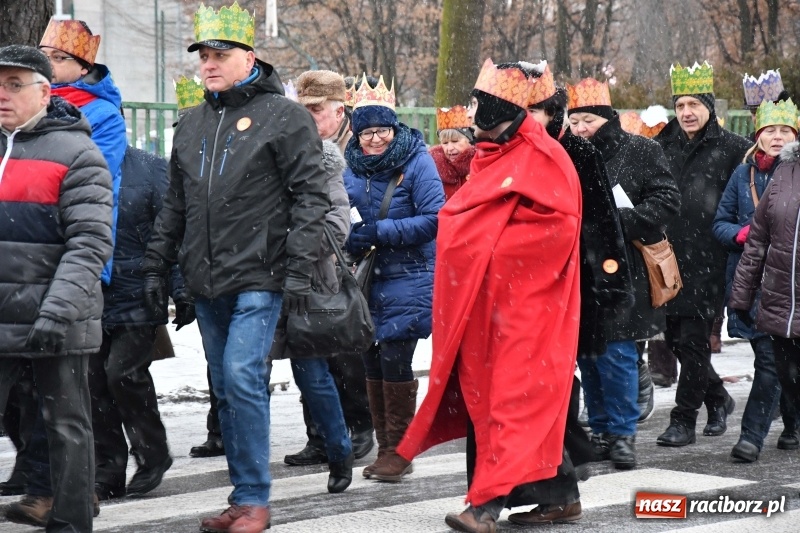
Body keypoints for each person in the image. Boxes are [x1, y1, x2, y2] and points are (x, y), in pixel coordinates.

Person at [143, 4, 330, 532]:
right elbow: (175, 205)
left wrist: (298, 266)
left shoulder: (285, 116)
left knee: (242, 376)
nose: (209, 64)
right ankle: (253, 489)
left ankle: (254, 500)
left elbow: (311, 196)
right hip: (207, 278)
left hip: (262, 273)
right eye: (203, 54)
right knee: (225, 387)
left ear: (249, 57)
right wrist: (158, 268)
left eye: (220, 54)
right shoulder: (193, 122)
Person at [397, 58, 582, 533]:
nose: (475, 122)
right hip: (486, 306)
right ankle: (558, 495)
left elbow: (554, 232)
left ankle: (485, 507)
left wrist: (484, 247)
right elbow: (469, 219)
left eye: (484, 111)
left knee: (513, 403)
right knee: (500, 402)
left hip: (530, 306)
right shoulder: (491, 154)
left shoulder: (546, 157)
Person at [494, 61, 633, 526]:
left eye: (533, 111)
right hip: (526, 293)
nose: (525, 120)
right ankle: (568, 464)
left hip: (573, 289)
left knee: (549, 386)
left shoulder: (578, 153)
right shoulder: (514, 152)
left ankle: (566, 471)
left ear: (552, 112)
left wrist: (608, 285)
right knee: (536, 386)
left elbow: (603, 225)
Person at [0, 18, 128, 504]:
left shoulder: (93, 125)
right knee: (24, 404)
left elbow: (91, 224)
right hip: (10, 294)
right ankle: (39, 484)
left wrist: (62, 303)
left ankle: (80, 491)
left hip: (66, 285)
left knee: (76, 401)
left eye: (14, 84)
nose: (3, 94)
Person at [567, 77, 681, 469]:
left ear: (606, 117)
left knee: (617, 354)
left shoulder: (642, 150)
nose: (580, 129)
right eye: (574, 121)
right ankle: (599, 430)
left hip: (625, 268)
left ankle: (622, 434)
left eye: (587, 121)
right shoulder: (567, 155)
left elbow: (667, 200)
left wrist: (617, 220)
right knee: (589, 355)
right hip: (582, 270)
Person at [343, 74, 444, 482]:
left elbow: (436, 218)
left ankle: (401, 450)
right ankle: (387, 448)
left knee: (395, 358)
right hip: (365, 277)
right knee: (370, 358)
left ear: (394, 127)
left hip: (410, 275)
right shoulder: (349, 164)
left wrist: (378, 232)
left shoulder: (416, 160)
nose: (375, 140)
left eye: (382, 130)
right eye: (367, 132)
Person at [654, 61, 752, 446]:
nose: (686, 113)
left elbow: (744, 202)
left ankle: (683, 420)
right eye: (680, 106)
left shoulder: (734, 149)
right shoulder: (661, 146)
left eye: (693, 104)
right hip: (665, 259)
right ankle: (718, 398)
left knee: (693, 341)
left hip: (710, 259)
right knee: (676, 340)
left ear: (709, 106)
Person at [280, 69, 374, 467]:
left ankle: (360, 427)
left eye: (317, 110)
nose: (310, 117)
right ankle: (318, 435)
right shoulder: (294, 149)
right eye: (304, 109)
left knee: (342, 350)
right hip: (307, 267)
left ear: (339, 112)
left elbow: (342, 216)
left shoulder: (345, 149)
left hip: (340, 264)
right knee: (307, 349)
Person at [89, 145, 190, 501]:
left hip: (139, 289)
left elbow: (171, 232)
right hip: (89, 293)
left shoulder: (148, 168)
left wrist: (179, 287)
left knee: (123, 374)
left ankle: (152, 453)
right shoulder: (75, 164)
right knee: (93, 383)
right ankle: (108, 469)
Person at [713, 98, 799, 462]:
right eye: (770, 131)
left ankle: (752, 436)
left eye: (785, 131)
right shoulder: (743, 174)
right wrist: (743, 234)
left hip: (787, 285)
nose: (777, 138)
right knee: (776, 362)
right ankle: (792, 422)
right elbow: (719, 224)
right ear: (759, 135)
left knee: (774, 363)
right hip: (751, 280)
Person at [429, 105, 475, 200]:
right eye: (445, 143)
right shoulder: (433, 168)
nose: (449, 148)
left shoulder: (480, 164)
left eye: (455, 141)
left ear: (469, 140)